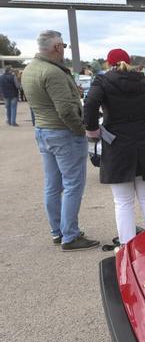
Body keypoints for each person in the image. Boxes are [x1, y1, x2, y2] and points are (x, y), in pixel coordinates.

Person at [83, 49, 145, 247]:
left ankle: (127, 246)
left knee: (123, 202)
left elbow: (90, 103)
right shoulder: (142, 80)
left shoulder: (103, 81)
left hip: (117, 145)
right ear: (128, 61)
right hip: (143, 142)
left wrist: (92, 130)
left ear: (109, 63)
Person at [22, 30, 100, 251]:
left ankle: (58, 231)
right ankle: (70, 236)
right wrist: (80, 130)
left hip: (44, 130)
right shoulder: (53, 72)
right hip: (63, 133)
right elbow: (65, 110)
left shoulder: (30, 69)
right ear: (56, 48)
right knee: (73, 185)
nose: (64, 49)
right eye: (63, 46)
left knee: (52, 185)